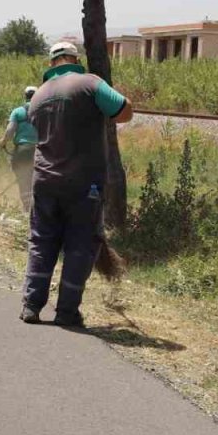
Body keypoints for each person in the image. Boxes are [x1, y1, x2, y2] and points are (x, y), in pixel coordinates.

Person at [20, 41, 133, 328]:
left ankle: (31, 306)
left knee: (41, 242)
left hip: (44, 180)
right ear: (74, 59)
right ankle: (67, 312)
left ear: (51, 63)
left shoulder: (37, 96)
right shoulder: (90, 83)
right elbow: (124, 111)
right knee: (80, 245)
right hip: (84, 184)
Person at [0, 85, 39, 211]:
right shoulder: (43, 112)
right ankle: (38, 209)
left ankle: (27, 208)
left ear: (25, 96)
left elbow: (10, 131)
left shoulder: (17, 112)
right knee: (37, 180)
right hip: (40, 152)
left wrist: (3, 142)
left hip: (22, 151)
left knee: (23, 180)